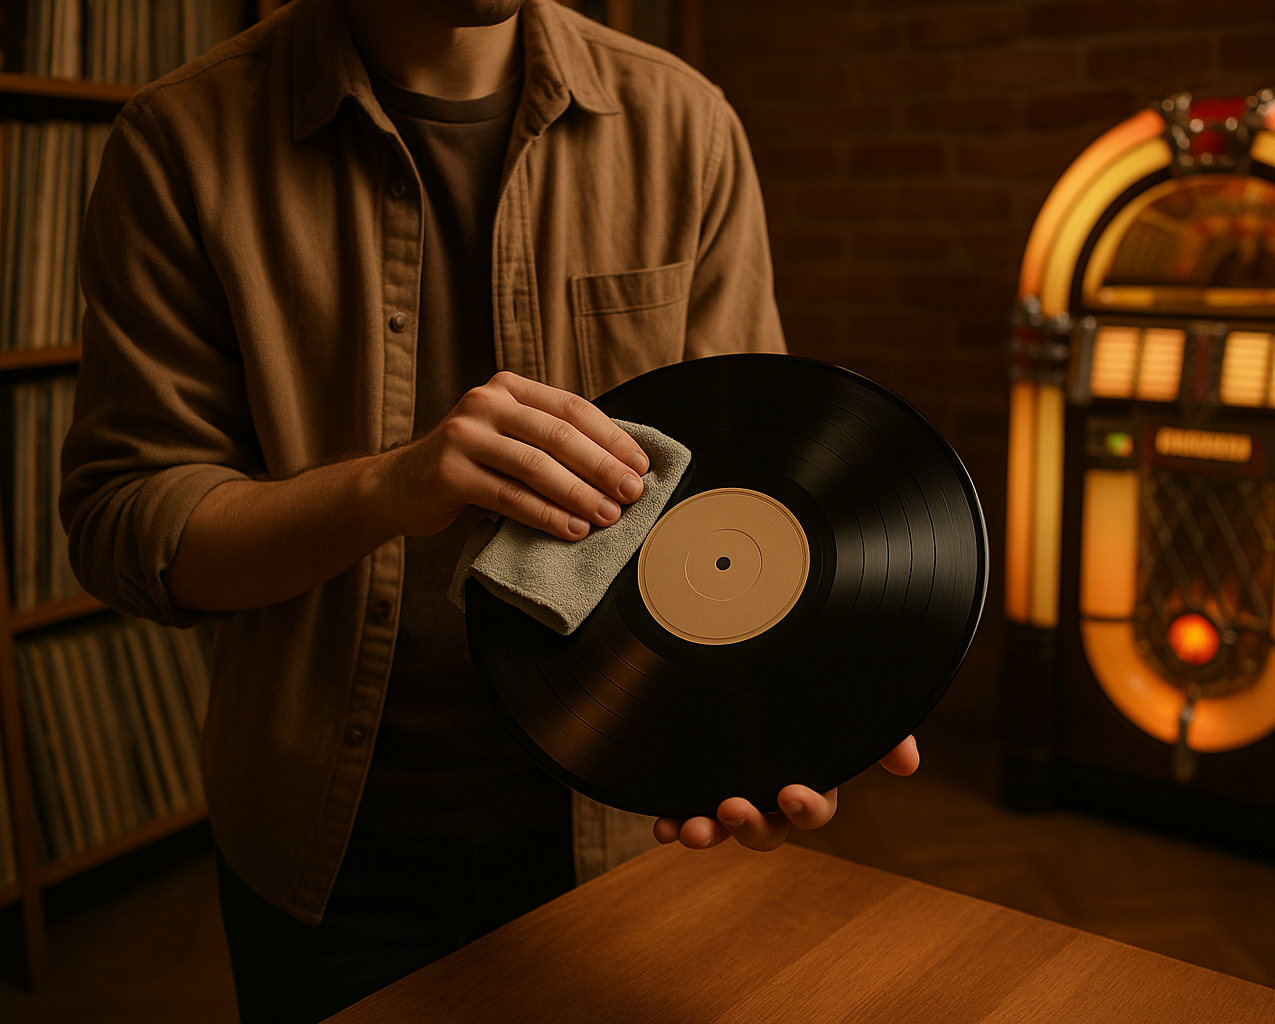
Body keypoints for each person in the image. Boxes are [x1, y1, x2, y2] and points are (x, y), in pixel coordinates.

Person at [60, 0, 919, 1021]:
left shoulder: (689, 124)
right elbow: (127, 528)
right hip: (331, 858)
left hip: (620, 831)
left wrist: (768, 729)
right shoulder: (179, 141)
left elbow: (744, 490)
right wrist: (391, 487)